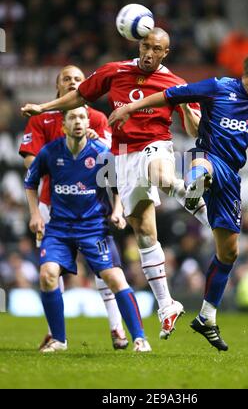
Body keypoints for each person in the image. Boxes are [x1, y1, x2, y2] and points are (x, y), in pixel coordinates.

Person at [21, 28, 208, 340]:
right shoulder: (114, 71)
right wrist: (43, 107)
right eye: (145, 46)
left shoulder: (176, 83)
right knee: (145, 234)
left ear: (165, 53)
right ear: (139, 44)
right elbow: (81, 95)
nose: (149, 53)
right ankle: (166, 304)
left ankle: (189, 194)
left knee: (161, 174)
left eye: (156, 49)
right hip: (122, 156)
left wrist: (189, 108)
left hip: (156, 145)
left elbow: (192, 130)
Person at [107, 49, 248, 351]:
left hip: (231, 176)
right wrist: (131, 107)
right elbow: (169, 95)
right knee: (202, 166)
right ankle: (190, 192)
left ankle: (206, 317)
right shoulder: (217, 87)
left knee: (229, 253)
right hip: (205, 157)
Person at [24, 106, 151, 353]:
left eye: (82, 117)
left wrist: (117, 210)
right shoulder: (50, 152)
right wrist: (35, 213)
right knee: (47, 274)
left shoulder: (101, 153)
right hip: (59, 228)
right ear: (64, 125)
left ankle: (140, 338)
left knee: (114, 277)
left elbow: (116, 186)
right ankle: (59, 340)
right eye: (72, 118)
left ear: (88, 122)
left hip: (94, 227)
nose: (78, 121)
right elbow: (30, 182)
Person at [19, 65, 128, 350]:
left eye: (79, 79)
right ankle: (56, 333)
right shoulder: (42, 119)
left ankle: (117, 328)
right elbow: (31, 160)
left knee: (103, 269)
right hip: (50, 206)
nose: (72, 82)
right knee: (51, 268)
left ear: (85, 86)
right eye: (66, 78)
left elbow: (109, 161)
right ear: (58, 87)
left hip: (92, 207)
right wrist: (61, 167)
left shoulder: (97, 118)